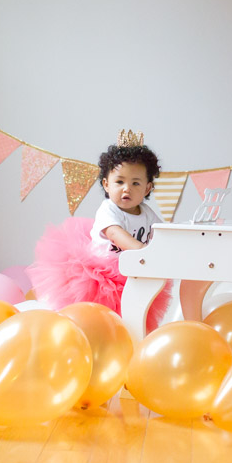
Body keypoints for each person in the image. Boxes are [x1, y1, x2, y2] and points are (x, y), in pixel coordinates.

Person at [28, 130, 171, 333]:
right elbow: (115, 233)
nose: (126, 189)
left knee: (130, 318)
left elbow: (160, 233)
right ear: (106, 184)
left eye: (135, 183)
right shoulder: (108, 210)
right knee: (97, 317)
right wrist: (141, 249)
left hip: (131, 271)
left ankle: (127, 337)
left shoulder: (147, 213)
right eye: (119, 182)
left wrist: (169, 244)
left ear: (148, 188)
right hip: (101, 273)